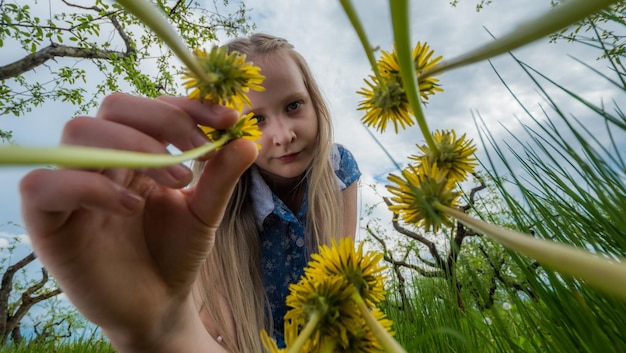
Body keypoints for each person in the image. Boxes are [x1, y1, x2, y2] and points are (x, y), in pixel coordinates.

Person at [19, 33, 360, 353]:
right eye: (255, 120)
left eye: (293, 106)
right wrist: (160, 330)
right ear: (228, 131)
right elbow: (218, 335)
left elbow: (343, 280)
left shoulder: (339, 168)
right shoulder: (211, 212)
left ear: (314, 102)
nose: (284, 135)